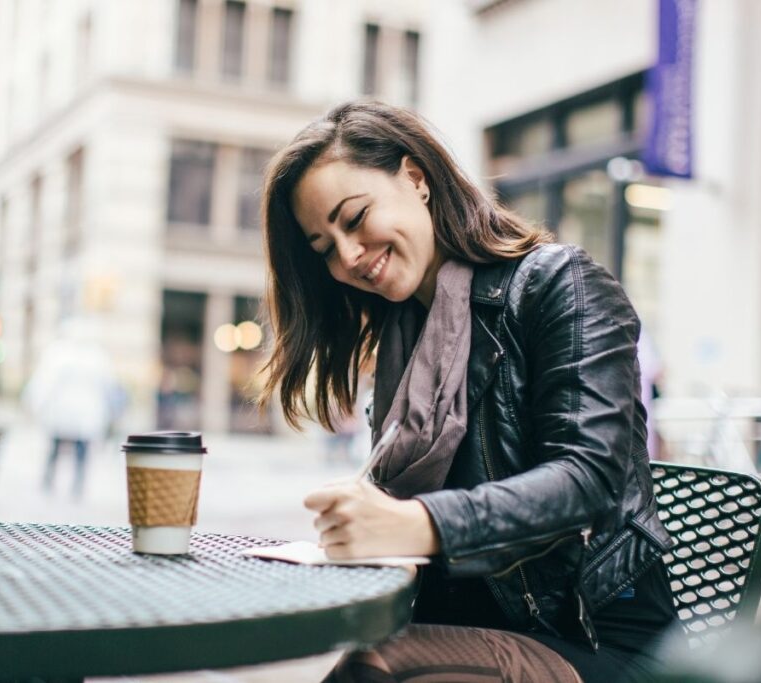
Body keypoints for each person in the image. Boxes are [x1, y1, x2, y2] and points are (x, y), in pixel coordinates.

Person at [256, 101, 679, 683]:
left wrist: (420, 524)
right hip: (470, 631)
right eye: (324, 248)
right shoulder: (405, 336)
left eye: (353, 218)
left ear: (415, 179)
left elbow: (590, 478)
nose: (348, 255)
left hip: (593, 639)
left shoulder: (560, 284)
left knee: (374, 670)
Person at [23, 319, 123, 500]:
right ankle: (75, 485)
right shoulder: (96, 356)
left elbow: (43, 384)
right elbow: (109, 387)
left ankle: (50, 482)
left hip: (63, 412)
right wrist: (112, 413)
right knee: (78, 452)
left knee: (56, 448)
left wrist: (36, 405)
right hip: (84, 413)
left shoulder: (59, 353)